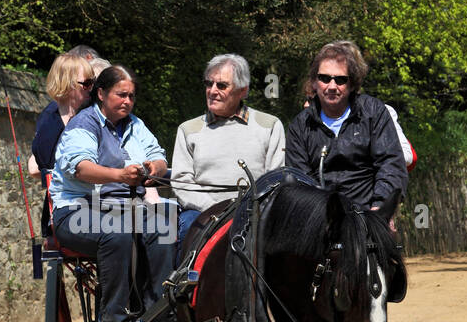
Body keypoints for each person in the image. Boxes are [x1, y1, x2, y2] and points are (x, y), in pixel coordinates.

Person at [50, 65, 176, 322]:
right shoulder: (84, 124)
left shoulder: (136, 125)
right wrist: (121, 175)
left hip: (125, 209)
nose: (127, 102)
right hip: (76, 211)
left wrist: (152, 166)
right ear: (101, 94)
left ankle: (157, 319)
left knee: (165, 227)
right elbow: (81, 169)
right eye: (121, 95)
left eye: (131, 96)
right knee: (117, 232)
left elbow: (159, 158)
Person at [284, 40, 408, 228]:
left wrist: (381, 208)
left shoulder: (374, 112)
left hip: (368, 215)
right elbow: (299, 181)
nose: (332, 86)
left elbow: (390, 164)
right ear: (314, 83)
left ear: (352, 83)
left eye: (340, 80)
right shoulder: (300, 126)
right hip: (320, 219)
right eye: (324, 78)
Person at [170, 53, 285, 248]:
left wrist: (250, 210)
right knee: (188, 226)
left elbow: (276, 179)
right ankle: (186, 279)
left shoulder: (269, 126)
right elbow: (181, 182)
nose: (212, 91)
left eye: (221, 85)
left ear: (243, 91)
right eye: (209, 84)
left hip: (254, 213)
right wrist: (213, 209)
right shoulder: (188, 130)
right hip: (202, 213)